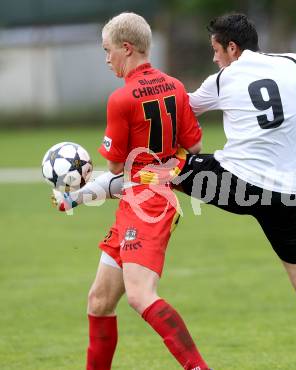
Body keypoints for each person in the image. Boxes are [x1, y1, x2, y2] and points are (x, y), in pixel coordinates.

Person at [54, 12, 296, 370]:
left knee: (153, 171)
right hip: (289, 196)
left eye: (216, 52)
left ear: (232, 49)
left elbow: (173, 107)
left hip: (235, 183)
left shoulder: (224, 78)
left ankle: (77, 195)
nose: (215, 60)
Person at [54, 12, 211, 370]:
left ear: (126, 48)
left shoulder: (121, 99)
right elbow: (196, 144)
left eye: (107, 51)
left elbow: (113, 169)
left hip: (147, 204)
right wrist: (76, 196)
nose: (106, 59)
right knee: (99, 300)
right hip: (145, 199)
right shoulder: (175, 86)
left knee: (140, 296)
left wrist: (79, 190)